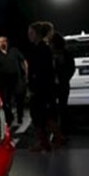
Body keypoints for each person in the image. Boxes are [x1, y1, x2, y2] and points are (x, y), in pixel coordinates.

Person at [25, 22, 62, 152]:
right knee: (39, 117)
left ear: (38, 34)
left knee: (45, 117)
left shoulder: (43, 49)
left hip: (43, 89)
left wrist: (35, 86)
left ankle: (56, 140)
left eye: (31, 33)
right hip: (39, 88)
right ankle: (44, 142)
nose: (29, 36)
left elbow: (43, 71)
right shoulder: (36, 48)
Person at [0, 36, 28, 128]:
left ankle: (20, 116)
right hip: (2, 82)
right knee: (6, 101)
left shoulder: (14, 51)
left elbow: (23, 61)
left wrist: (26, 73)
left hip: (16, 80)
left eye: (3, 41)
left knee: (19, 98)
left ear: (7, 42)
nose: (1, 44)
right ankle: (9, 117)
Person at [50, 32, 75, 138]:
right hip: (53, 85)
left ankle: (64, 131)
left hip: (62, 84)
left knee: (63, 108)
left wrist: (64, 78)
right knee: (53, 108)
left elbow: (70, 68)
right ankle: (56, 131)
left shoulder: (65, 54)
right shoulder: (49, 54)